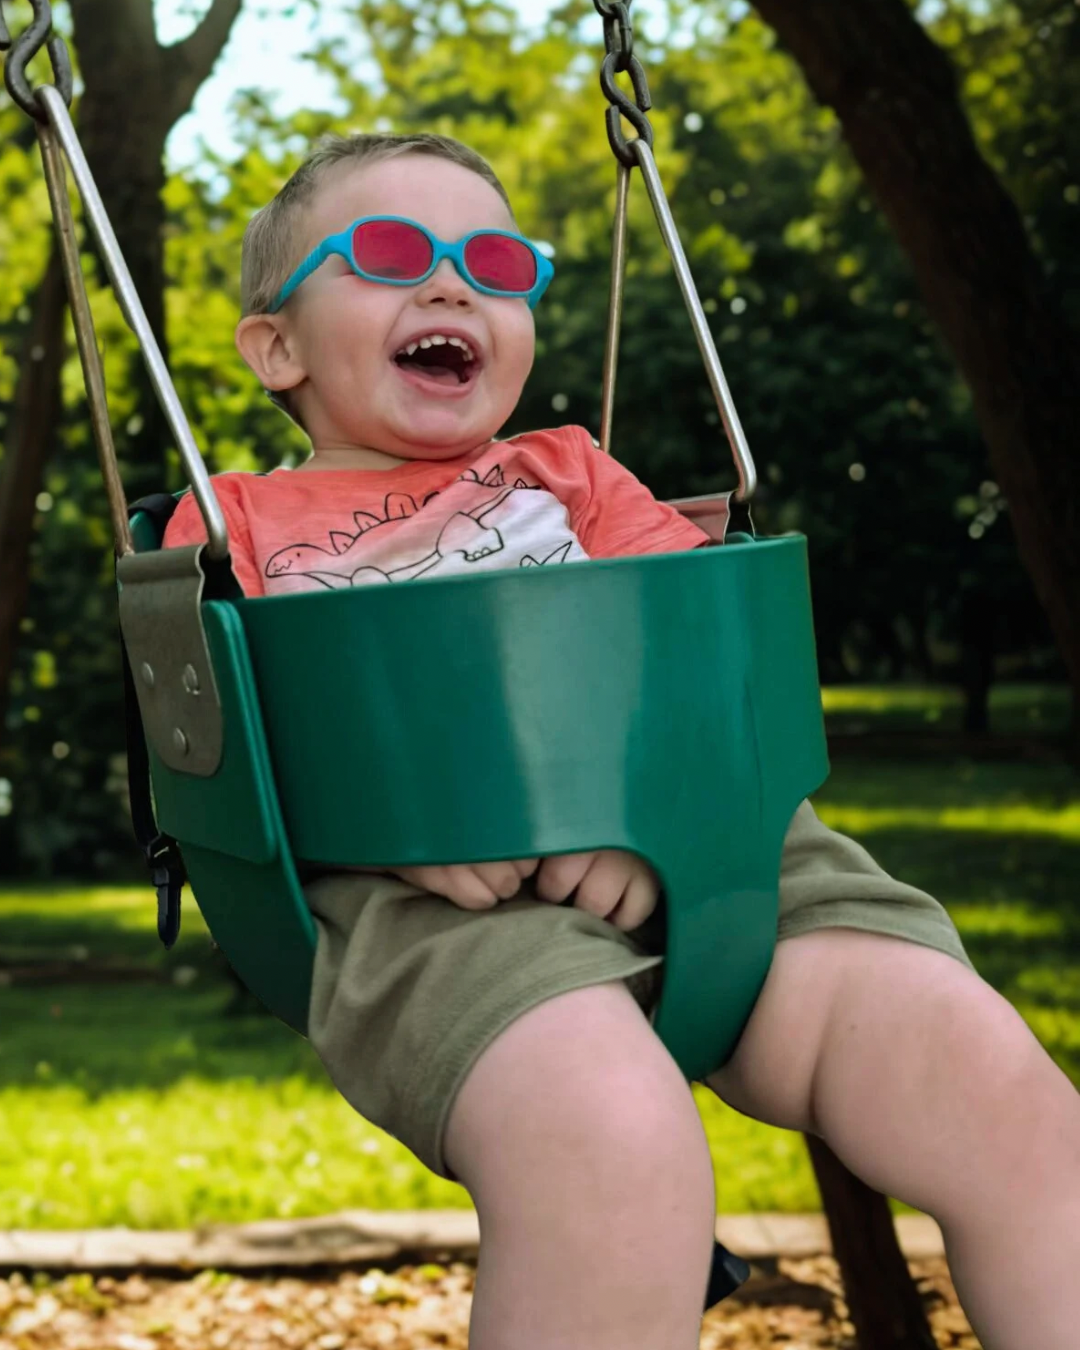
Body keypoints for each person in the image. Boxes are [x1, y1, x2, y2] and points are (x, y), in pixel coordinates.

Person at [164, 131, 1080, 1350]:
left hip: (726, 869)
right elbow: (228, 733)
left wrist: (664, 821)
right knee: (613, 1143)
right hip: (444, 919)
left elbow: (704, 658)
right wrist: (401, 820)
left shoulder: (572, 476)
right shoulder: (234, 522)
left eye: (493, 263)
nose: (452, 286)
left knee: (992, 1085)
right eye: (390, 253)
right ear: (275, 345)